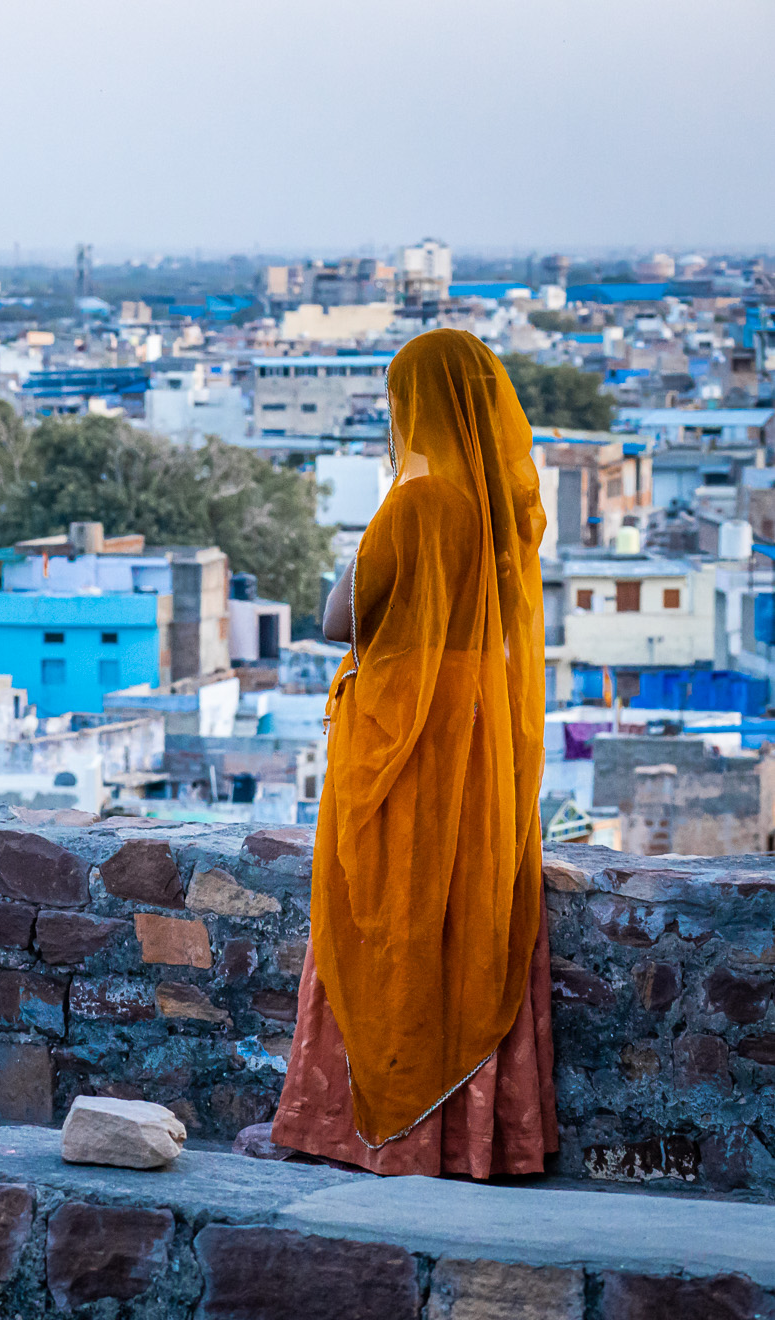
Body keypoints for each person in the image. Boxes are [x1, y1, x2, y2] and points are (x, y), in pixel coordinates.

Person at [269, 328, 555, 1178]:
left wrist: (382, 515)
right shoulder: (507, 507)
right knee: (470, 915)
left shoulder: (420, 503)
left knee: (389, 912)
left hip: (409, 738)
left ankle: (372, 1131)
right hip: (476, 735)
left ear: (415, 407)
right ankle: (475, 1139)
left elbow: (335, 620)